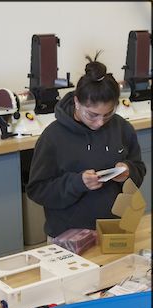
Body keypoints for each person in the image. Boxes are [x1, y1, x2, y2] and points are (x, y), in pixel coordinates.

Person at [26, 53, 146, 239]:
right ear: (76, 102)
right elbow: (38, 190)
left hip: (114, 231)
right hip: (68, 237)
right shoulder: (53, 137)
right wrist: (77, 183)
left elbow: (139, 168)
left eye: (107, 114)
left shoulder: (122, 128)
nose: (100, 123)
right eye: (92, 115)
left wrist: (128, 171)